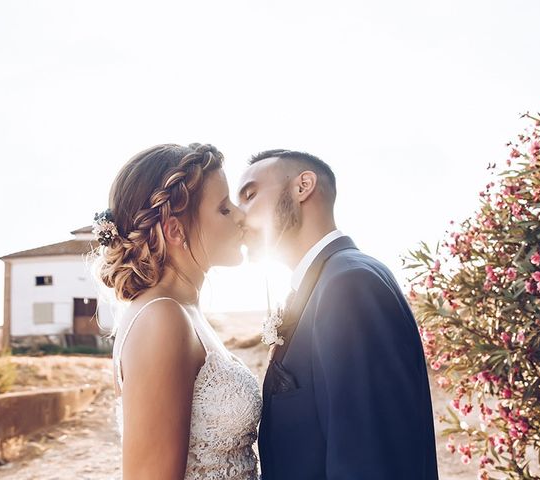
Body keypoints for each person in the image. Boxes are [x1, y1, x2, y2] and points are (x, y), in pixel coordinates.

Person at [237, 149, 439, 480]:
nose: (239, 215)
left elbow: (370, 460)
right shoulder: (329, 281)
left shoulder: (348, 285)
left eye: (250, 195)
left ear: (302, 186)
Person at [93, 143, 261, 480]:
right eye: (224, 209)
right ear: (174, 229)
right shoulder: (161, 319)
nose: (241, 214)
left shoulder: (183, 311)